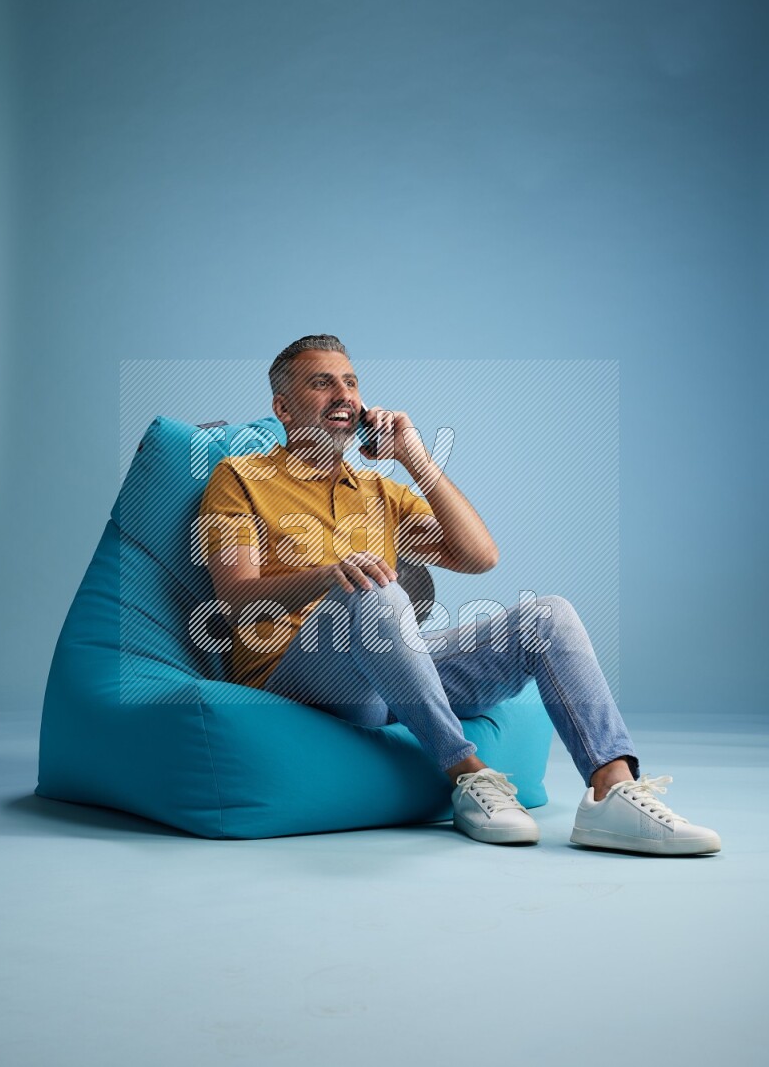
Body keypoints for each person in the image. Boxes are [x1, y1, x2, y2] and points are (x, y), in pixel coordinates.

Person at [197, 334, 721, 856]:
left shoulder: (382, 493)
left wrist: (414, 459)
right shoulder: (240, 476)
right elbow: (237, 596)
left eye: (351, 382)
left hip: (390, 677)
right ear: (282, 407)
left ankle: (612, 789)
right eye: (322, 383)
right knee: (375, 592)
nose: (344, 395)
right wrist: (330, 575)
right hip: (300, 678)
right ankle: (469, 775)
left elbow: (479, 556)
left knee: (549, 616)